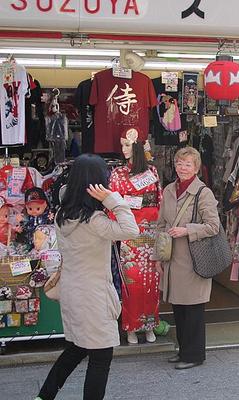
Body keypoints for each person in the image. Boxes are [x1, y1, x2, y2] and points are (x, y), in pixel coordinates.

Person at [35, 154, 139, 400]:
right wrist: (112, 200)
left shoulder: (63, 214)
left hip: (72, 292)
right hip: (93, 297)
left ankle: (44, 396)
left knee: (76, 349)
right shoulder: (94, 220)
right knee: (100, 358)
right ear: (98, 184)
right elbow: (131, 230)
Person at [154, 146, 219, 370]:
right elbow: (161, 224)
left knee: (193, 309)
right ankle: (183, 350)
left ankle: (194, 355)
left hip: (193, 260)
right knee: (179, 307)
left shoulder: (203, 192)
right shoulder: (169, 190)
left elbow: (213, 226)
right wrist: (158, 257)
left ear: (197, 168)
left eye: (188, 164)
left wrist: (187, 230)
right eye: (179, 163)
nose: (183, 168)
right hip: (172, 258)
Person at [109, 128, 162, 345]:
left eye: (127, 145)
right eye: (122, 145)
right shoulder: (117, 173)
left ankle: (150, 324)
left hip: (150, 230)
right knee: (131, 282)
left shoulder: (152, 171)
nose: (123, 149)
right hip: (129, 232)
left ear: (138, 147)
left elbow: (158, 199)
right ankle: (131, 326)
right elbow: (112, 202)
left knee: (151, 281)